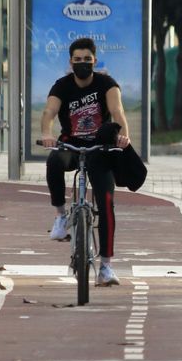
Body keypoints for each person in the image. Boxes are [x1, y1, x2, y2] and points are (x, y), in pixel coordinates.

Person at [40, 38, 131, 286]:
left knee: (107, 203)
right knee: (54, 161)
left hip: (99, 148)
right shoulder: (62, 86)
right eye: (77, 60)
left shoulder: (107, 84)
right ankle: (60, 216)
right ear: (70, 62)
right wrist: (47, 134)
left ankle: (106, 268)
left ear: (95, 61)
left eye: (87, 60)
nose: (82, 64)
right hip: (71, 144)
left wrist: (123, 135)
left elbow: (117, 111)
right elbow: (49, 112)